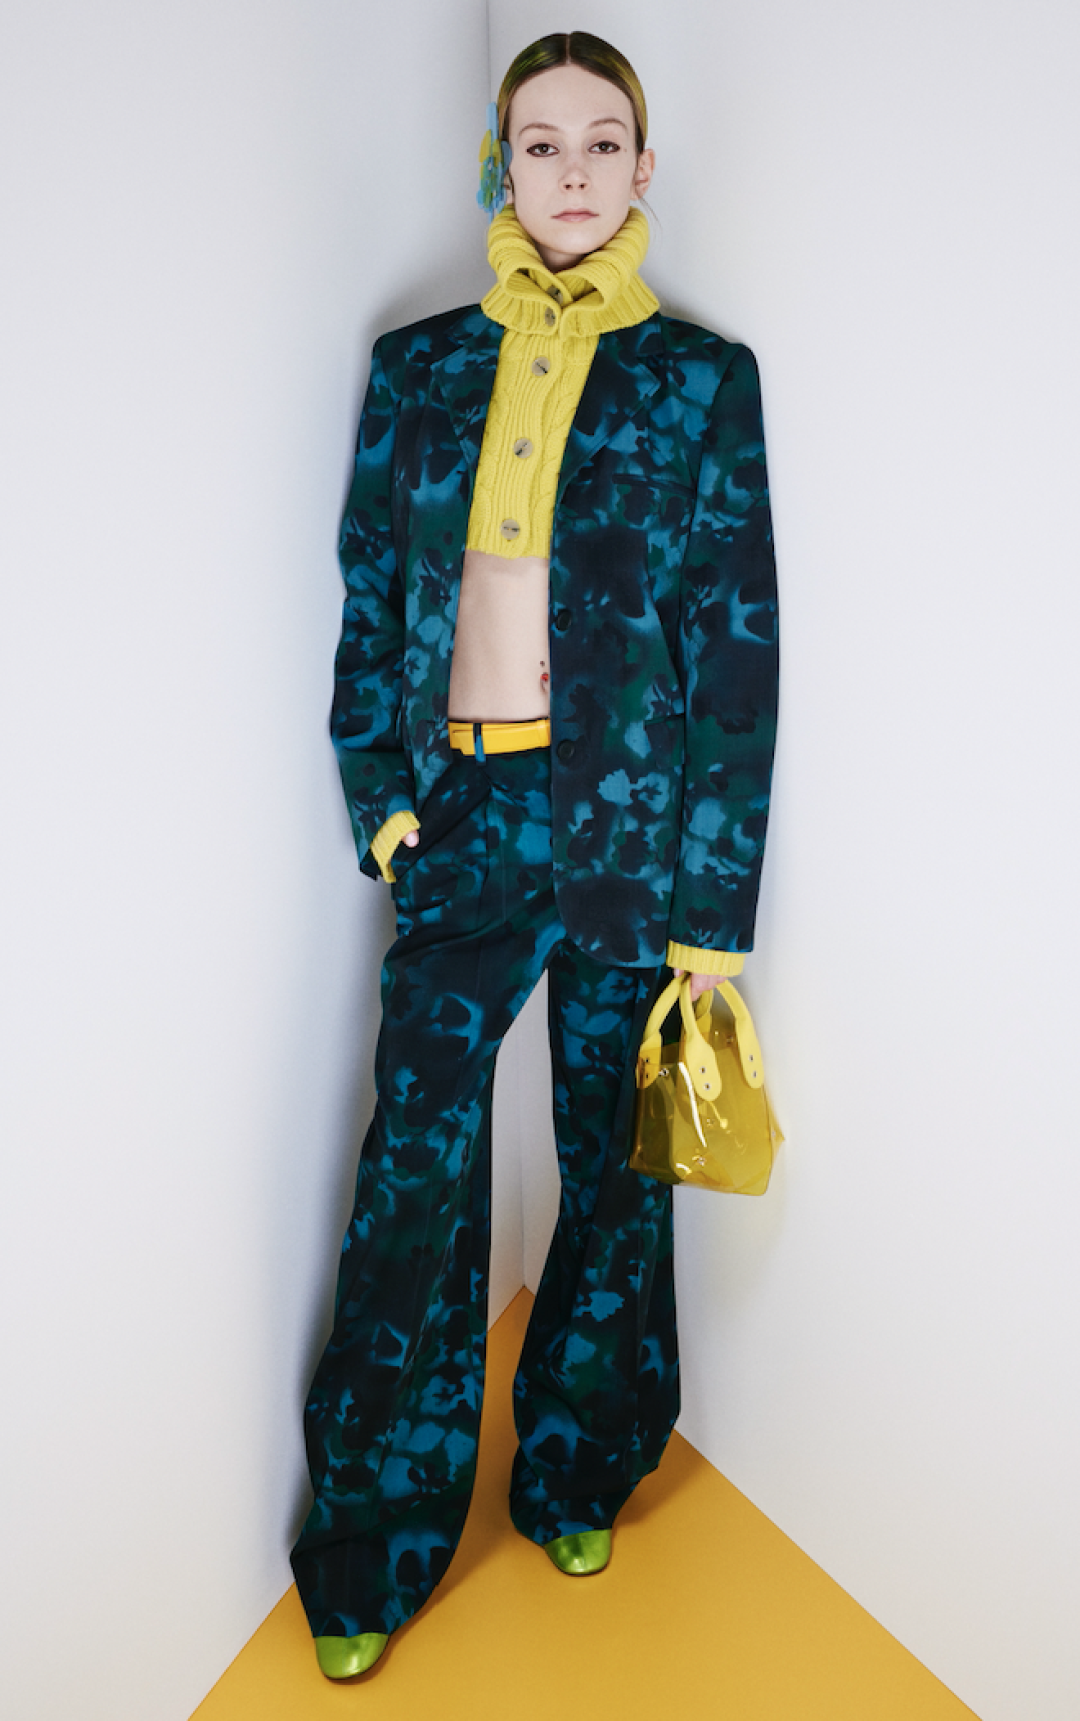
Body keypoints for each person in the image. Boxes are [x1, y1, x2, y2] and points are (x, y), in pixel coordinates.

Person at [290, 31, 779, 1680]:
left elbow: (739, 650)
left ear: (644, 167)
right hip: (467, 822)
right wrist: (382, 795)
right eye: (543, 143)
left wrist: (713, 910)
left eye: (603, 141)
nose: (574, 171)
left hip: (634, 846)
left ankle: (580, 1467)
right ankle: (374, 1544)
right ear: (502, 167)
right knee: (414, 1184)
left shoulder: (704, 382)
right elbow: (372, 598)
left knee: (613, 1176)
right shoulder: (419, 367)